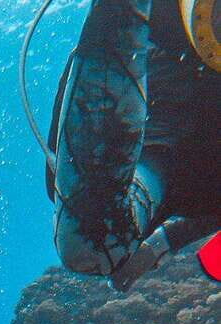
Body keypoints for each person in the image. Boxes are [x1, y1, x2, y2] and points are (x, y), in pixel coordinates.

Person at [47, 0, 219, 291]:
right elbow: (90, 242)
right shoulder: (162, 58)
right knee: (95, 244)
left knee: (94, 245)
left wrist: (167, 241)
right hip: (160, 136)